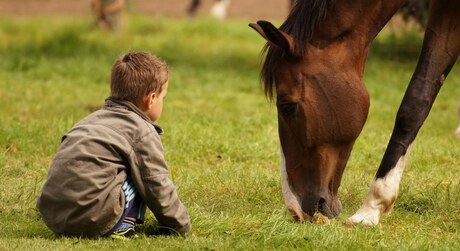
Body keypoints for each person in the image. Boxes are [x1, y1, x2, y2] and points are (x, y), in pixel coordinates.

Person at [36, 52, 191, 239]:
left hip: (55, 217)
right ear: (151, 99)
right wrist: (180, 225)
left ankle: (76, 220)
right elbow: (156, 183)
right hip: (92, 218)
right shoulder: (141, 131)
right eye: (163, 97)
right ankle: (121, 226)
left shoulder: (86, 123)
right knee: (141, 170)